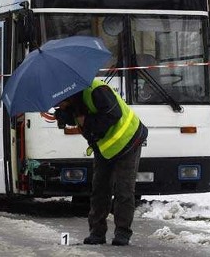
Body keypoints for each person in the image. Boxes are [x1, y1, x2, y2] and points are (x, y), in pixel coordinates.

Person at [55, 79, 148, 246]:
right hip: (105, 146)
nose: (59, 105)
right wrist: (65, 115)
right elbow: (79, 117)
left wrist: (87, 122)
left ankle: (122, 233)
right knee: (99, 189)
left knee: (123, 189)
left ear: (69, 95)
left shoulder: (97, 90)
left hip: (129, 140)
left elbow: (114, 114)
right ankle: (97, 233)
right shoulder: (75, 100)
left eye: (60, 103)